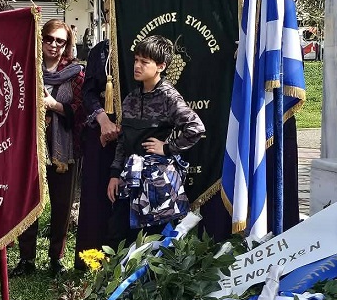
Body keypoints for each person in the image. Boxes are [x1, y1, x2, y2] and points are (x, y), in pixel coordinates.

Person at [106, 34, 205, 245]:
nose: (137, 66)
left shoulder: (169, 97)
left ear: (161, 66)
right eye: (136, 60)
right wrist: (115, 174)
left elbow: (196, 128)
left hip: (157, 184)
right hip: (129, 179)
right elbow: (123, 141)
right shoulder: (131, 98)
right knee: (119, 238)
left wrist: (168, 148)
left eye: (144, 62)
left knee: (155, 241)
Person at [13, 19, 84, 277]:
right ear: (41, 39)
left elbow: (81, 110)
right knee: (28, 202)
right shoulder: (25, 67)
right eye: (49, 39)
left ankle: (56, 258)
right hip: (29, 145)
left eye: (60, 41)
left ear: (67, 45)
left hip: (64, 148)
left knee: (62, 205)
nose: (54, 45)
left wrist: (54, 105)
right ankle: (26, 258)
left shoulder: (76, 73)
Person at [74, 35, 118, 270]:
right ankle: (93, 258)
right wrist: (103, 121)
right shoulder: (100, 50)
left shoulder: (141, 44)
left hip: (133, 129)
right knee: (96, 191)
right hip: (101, 128)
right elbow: (88, 92)